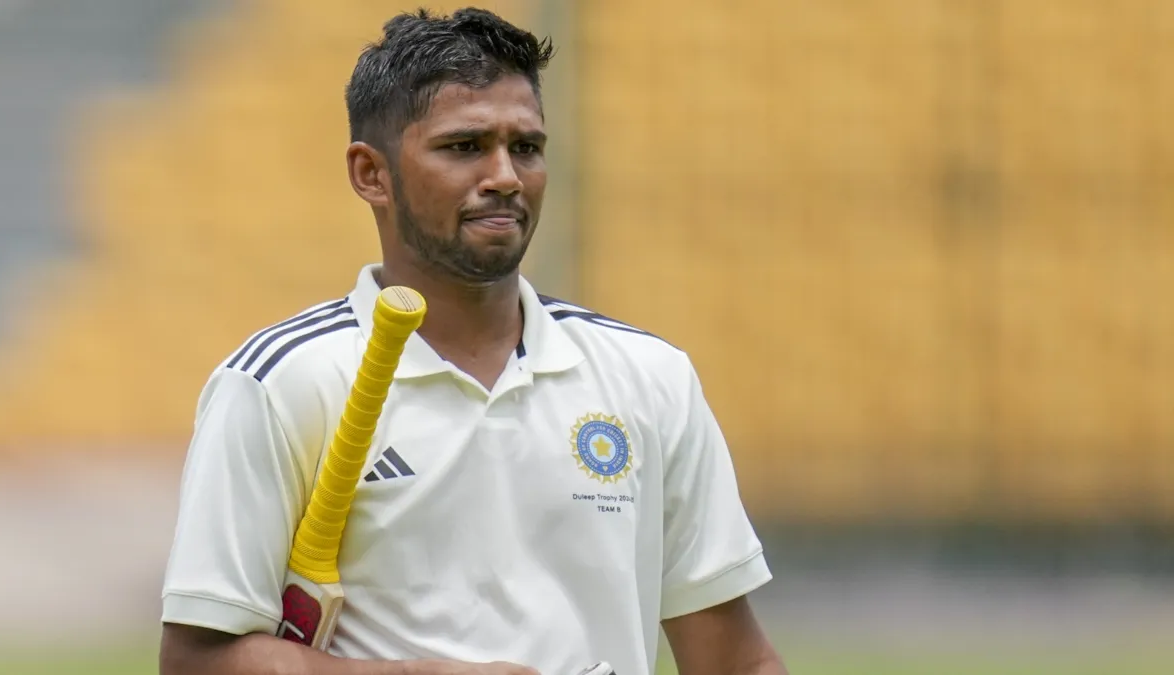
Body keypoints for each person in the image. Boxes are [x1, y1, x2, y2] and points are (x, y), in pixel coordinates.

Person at [159, 7, 788, 675]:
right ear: (371, 174)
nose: (506, 176)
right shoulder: (280, 382)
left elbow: (736, 661)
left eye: (527, 147)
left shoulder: (649, 376)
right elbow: (197, 663)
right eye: (465, 147)